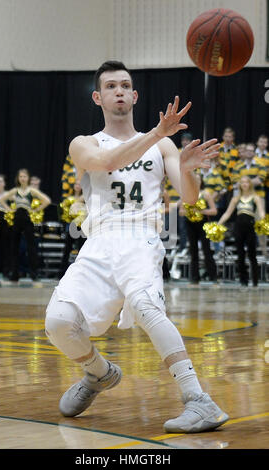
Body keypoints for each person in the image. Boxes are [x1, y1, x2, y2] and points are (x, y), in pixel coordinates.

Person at [45, 60, 228, 433]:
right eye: (111, 86)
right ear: (98, 97)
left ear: (135, 95)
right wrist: (157, 133)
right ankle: (98, 374)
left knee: (146, 306)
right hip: (97, 241)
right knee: (58, 322)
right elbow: (108, 160)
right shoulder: (85, 143)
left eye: (125, 86)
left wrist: (189, 169)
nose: (119, 92)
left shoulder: (162, 145)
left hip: (140, 236)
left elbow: (190, 199)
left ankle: (198, 400)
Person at [0, 169, 51, 283]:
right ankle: (14, 274)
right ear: (18, 178)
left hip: (27, 218)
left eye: (24, 176)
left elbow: (47, 200)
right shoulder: (15, 190)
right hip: (16, 218)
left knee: (31, 247)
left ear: (28, 178)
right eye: (21, 176)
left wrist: (36, 210)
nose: (22, 178)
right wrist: (10, 210)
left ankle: (34, 274)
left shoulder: (31, 190)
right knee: (14, 247)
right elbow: (1, 200)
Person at [218, 176, 265, 288]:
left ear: (250, 184)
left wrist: (263, 223)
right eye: (242, 182)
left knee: (252, 254)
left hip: (250, 227)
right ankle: (243, 281)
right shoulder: (236, 199)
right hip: (239, 227)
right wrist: (218, 224)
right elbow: (227, 214)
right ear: (240, 185)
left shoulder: (255, 198)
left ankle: (255, 281)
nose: (244, 184)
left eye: (246, 182)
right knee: (240, 254)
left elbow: (261, 213)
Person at [179, 174, 218, 286]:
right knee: (193, 251)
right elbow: (181, 212)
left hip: (203, 224)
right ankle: (194, 279)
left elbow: (214, 211)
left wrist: (201, 211)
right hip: (190, 224)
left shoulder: (205, 194)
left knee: (207, 251)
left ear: (201, 181)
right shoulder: (185, 194)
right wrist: (190, 212)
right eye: (193, 179)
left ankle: (213, 278)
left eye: (198, 179)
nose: (196, 181)